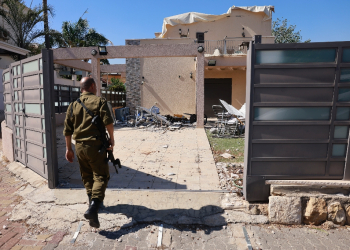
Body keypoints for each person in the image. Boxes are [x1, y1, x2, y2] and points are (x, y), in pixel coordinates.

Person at [63, 77, 114, 228]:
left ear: (81, 88)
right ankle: (94, 207)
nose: (97, 88)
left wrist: (68, 149)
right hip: (96, 146)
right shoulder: (100, 102)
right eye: (96, 86)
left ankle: (92, 209)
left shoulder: (73, 105)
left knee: (87, 176)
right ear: (92, 86)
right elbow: (108, 122)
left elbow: (67, 130)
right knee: (101, 176)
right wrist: (112, 139)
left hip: (79, 147)